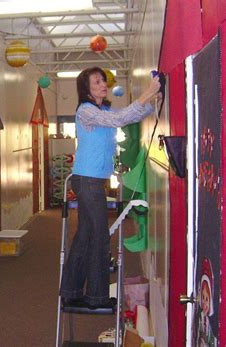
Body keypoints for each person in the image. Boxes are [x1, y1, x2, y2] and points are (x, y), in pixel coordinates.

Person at [60, 67, 161, 309]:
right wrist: (147, 92)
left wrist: (153, 100)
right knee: (99, 237)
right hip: (87, 181)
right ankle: (96, 297)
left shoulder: (103, 109)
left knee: (85, 235)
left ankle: (71, 290)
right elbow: (118, 120)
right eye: (96, 82)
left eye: (103, 81)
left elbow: (128, 117)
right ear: (87, 88)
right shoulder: (86, 112)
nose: (103, 85)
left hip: (92, 180)